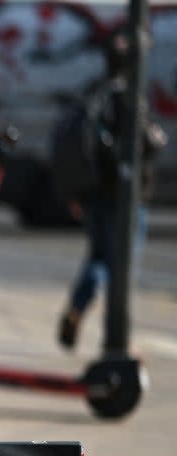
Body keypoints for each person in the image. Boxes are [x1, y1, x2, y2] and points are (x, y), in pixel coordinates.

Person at [57, 31, 168, 351]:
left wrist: (77, 192)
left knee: (99, 258)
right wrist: (158, 139)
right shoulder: (129, 96)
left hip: (94, 193)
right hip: (125, 197)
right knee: (121, 268)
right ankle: (115, 342)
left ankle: (77, 308)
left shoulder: (93, 91)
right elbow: (147, 142)